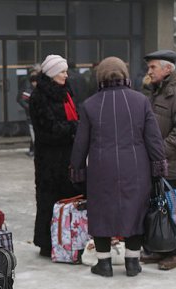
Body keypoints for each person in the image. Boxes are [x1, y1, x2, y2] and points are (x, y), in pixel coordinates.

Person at [69, 56, 167, 277]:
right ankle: (133, 262)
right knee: (135, 209)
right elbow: (153, 139)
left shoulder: (90, 104)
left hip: (101, 169)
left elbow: (80, 142)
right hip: (136, 166)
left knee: (101, 211)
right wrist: (158, 167)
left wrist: (76, 170)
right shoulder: (140, 101)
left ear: (100, 77)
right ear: (125, 74)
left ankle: (103, 264)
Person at [28, 54, 79, 257]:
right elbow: (47, 130)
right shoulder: (39, 97)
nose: (66, 75)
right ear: (51, 74)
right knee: (48, 199)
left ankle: (68, 238)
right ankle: (46, 243)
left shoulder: (66, 93)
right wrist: (75, 127)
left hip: (68, 156)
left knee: (69, 197)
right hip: (48, 159)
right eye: (62, 72)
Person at [141, 49, 176, 270]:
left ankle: (175, 253)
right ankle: (160, 248)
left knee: (175, 210)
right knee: (160, 208)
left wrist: (159, 151)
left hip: (173, 165)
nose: (149, 71)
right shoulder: (156, 91)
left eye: (153, 66)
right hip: (158, 164)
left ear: (167, 68)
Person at [16, 66, 39, 156]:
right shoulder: (26, 83)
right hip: (31, 113)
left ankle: (33, 149)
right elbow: (21, 98)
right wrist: (29, 107)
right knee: (34, 131)